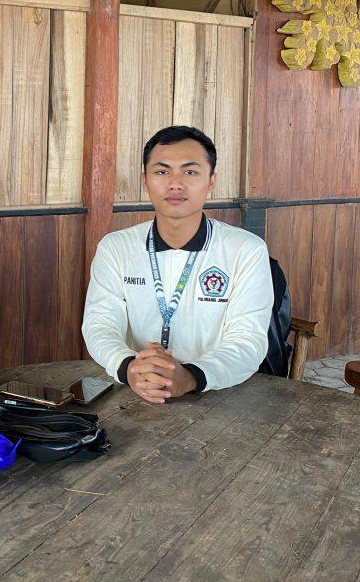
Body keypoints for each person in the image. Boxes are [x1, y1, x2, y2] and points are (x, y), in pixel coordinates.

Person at [82, 125, 272, 404]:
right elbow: (100, 325)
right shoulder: (116, 248)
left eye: (190, 172)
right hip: (136, 392)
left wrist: (192, 376)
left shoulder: (246, 250)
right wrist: (128, 367)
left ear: (211, 181)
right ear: (145, 180)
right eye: (162, 171)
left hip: (218, 394)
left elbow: (247, 340)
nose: (175, 183)